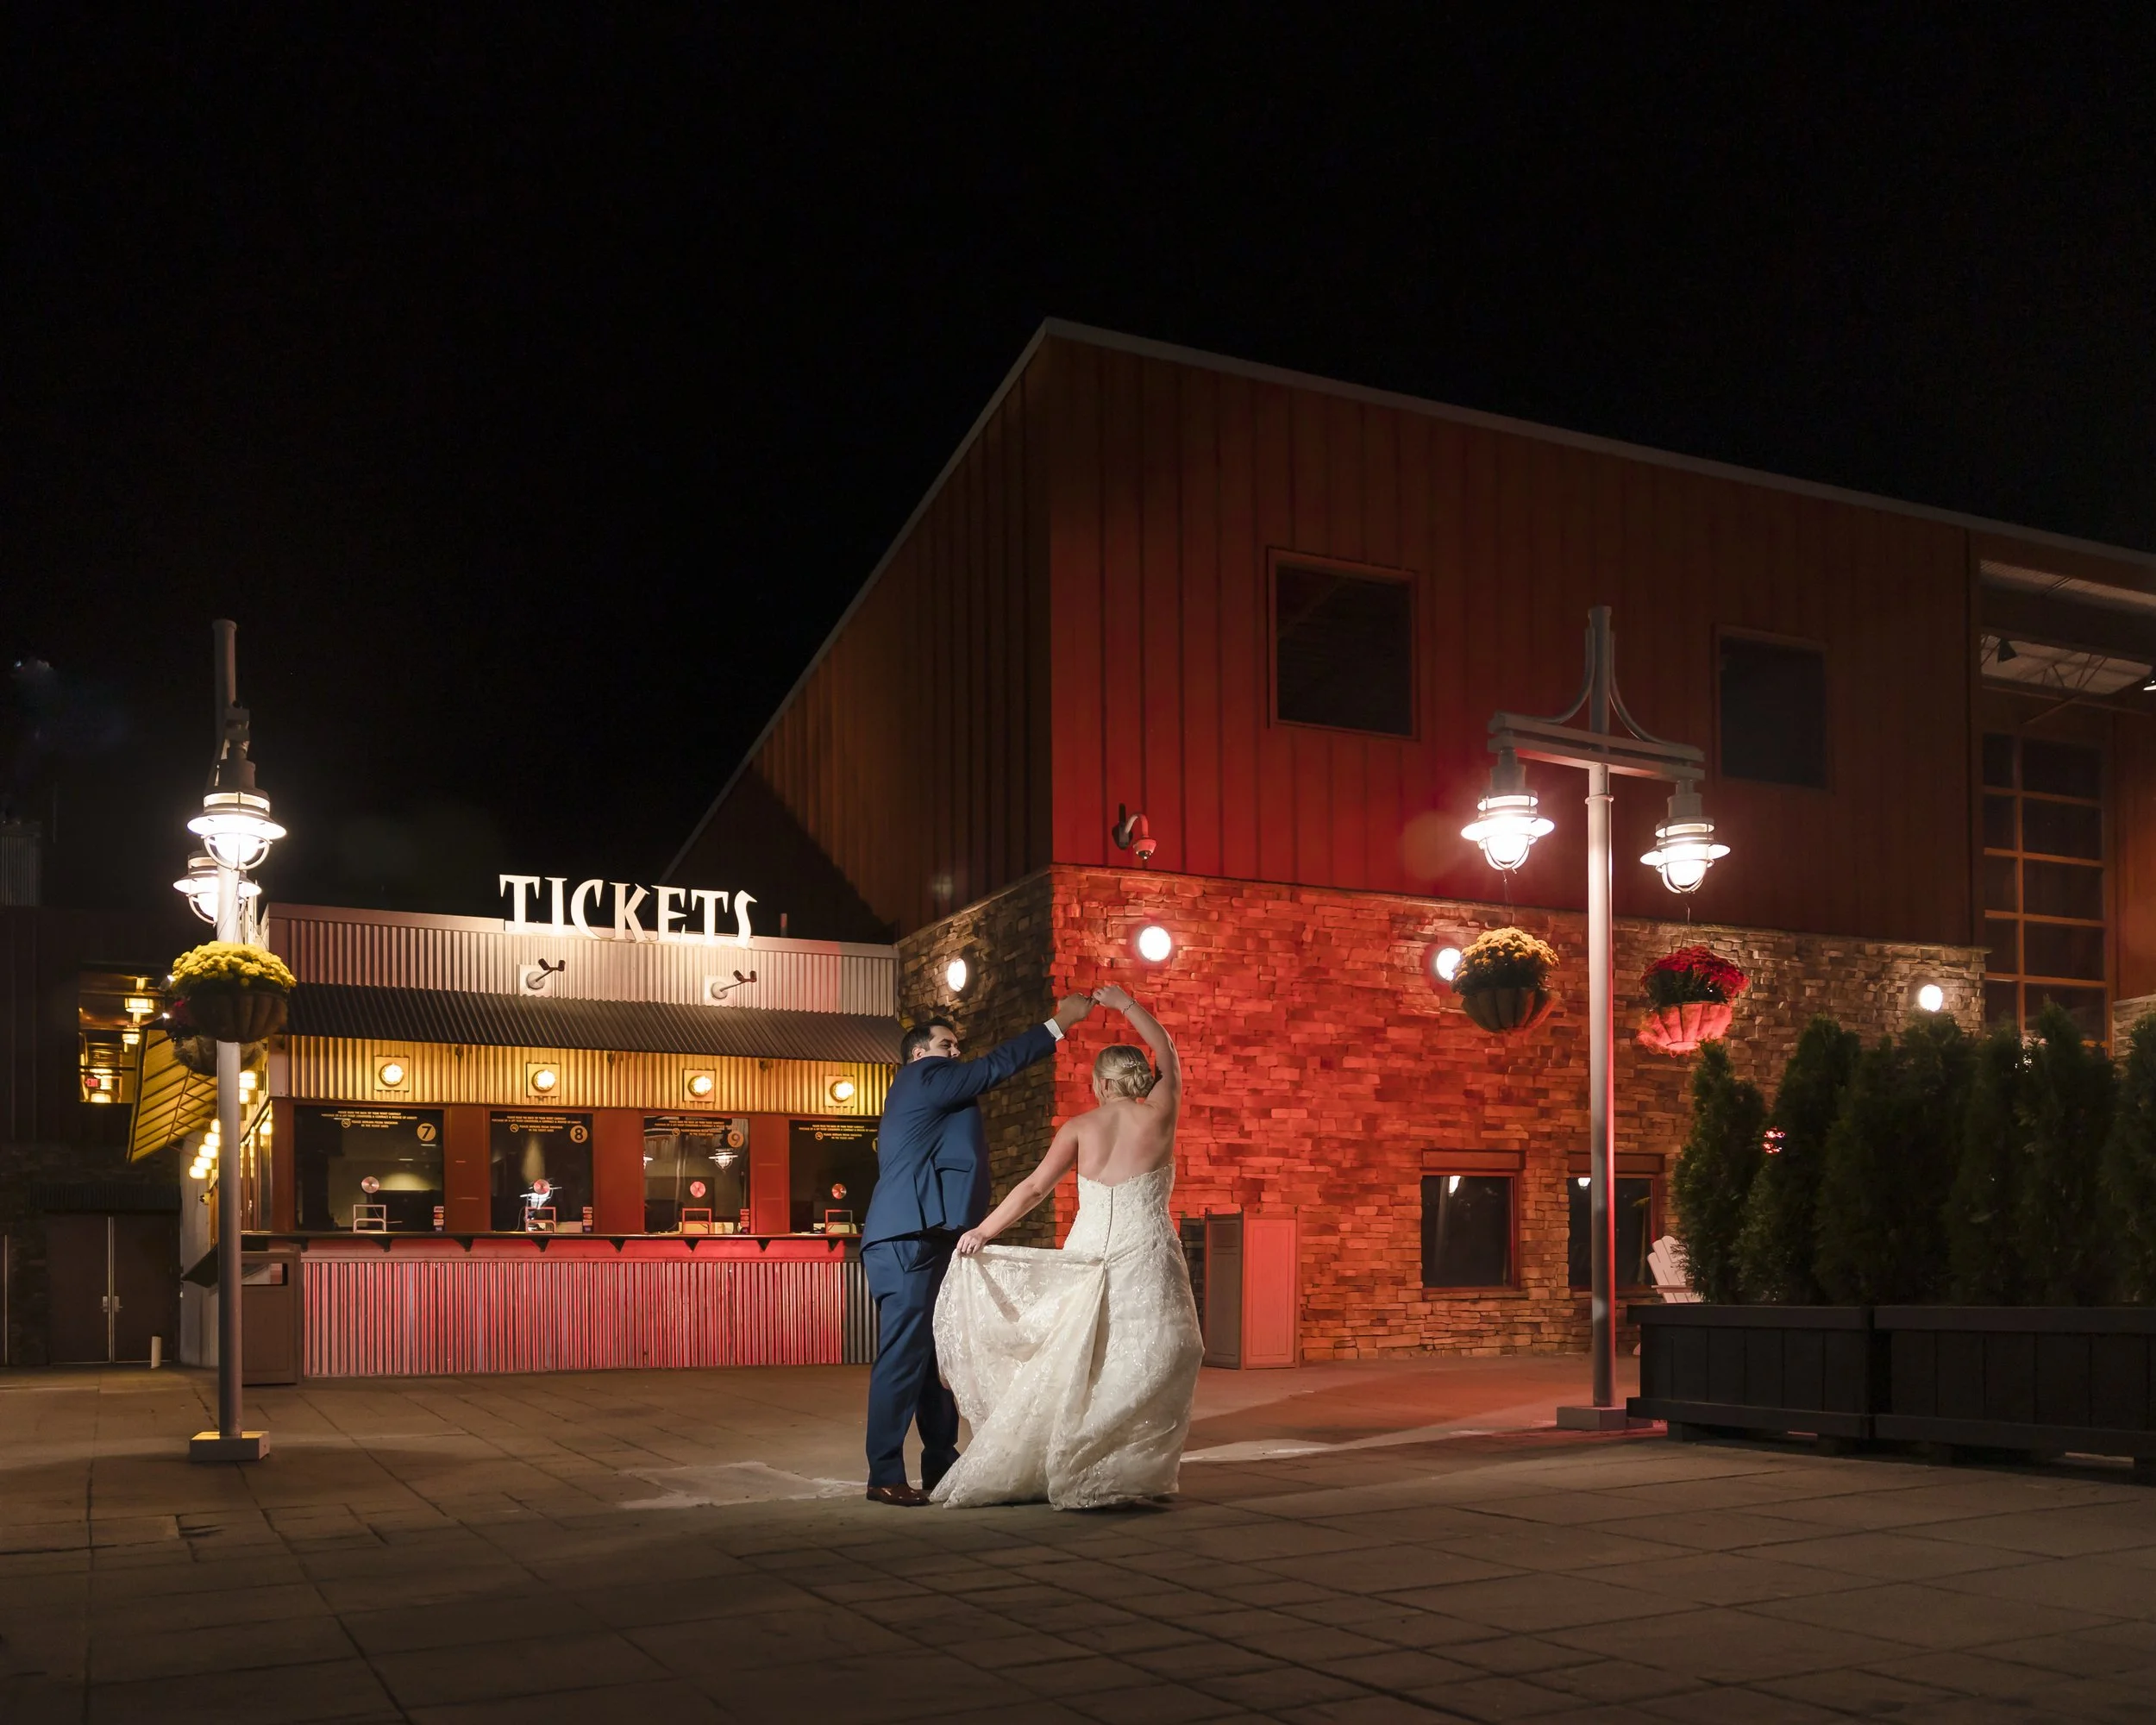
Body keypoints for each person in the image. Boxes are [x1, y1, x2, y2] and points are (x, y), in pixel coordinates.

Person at [931, 982, 1203, 1509]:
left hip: (1087, 1256)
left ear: (1102, 1083)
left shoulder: (1079, 1127)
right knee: (1157, 1352)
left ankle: (1092, 1460)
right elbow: (1167, 1051)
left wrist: (984, 1231)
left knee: (1086, 1357)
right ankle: (1122, 1467)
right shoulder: (1161, 1113)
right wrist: (1125, 1005)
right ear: (1138, 1079)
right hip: (1146, 1250)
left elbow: (1034, 1188)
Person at [860, 992, 1095, 1507]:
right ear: (919, 1054)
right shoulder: (923, 1077)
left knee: (934, 1356)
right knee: (903, 1356)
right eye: (946, 1045)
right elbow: (992, 1068)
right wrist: (1059, 1023)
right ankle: (883, 1473)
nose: (955, 1053)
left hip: (927, 1234)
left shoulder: (933, 1090)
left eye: (956, 1046)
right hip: (909, 1237)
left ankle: (940, 1461)